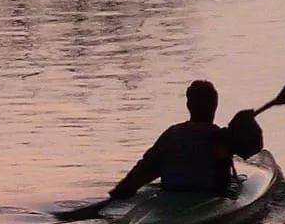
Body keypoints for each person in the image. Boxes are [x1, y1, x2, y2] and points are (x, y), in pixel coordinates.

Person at [108, 79, 263, 200]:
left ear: (188, 105)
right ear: (215, 105)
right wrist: (246, 122)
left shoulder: (170, 136)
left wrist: (122, 191)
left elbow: (146, 168)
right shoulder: (222, 138)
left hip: (172, 194)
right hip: (210, 196)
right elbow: (254, 146)